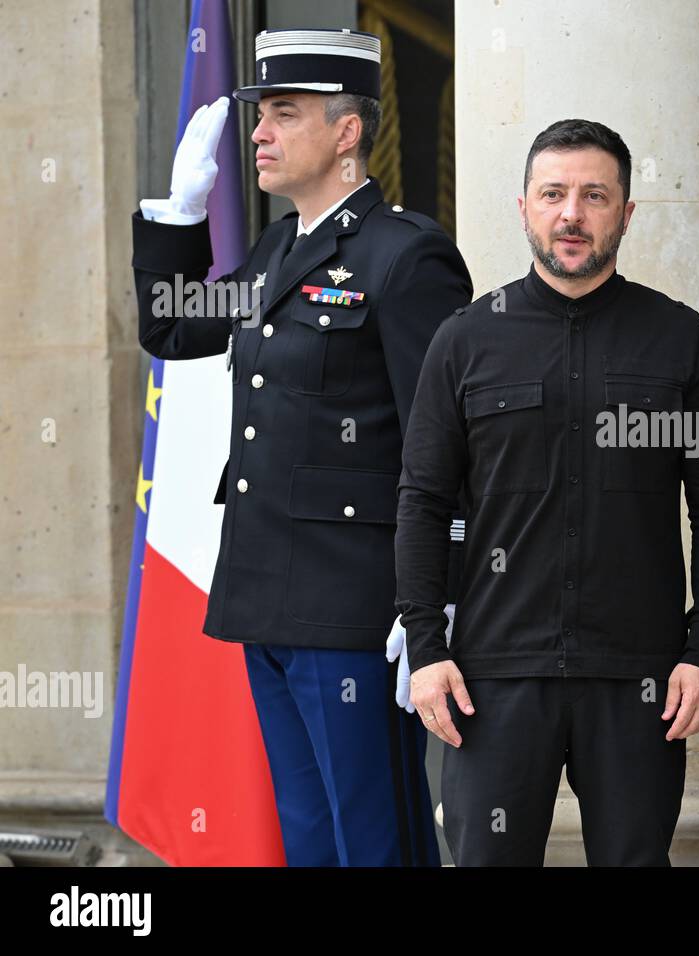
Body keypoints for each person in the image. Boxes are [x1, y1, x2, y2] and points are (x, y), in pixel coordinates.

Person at [131, 28, 472, 866]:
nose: (259, 134)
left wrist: (436, 607)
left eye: (283, 113)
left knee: (374, 838)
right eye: (260, 115)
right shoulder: (281, 248)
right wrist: (179, 217)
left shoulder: (406, 256)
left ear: (347, 131)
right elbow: (172, 327)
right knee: (311, 837)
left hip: (356, 608)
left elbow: (448, 444)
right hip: (268, 596)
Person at [395, 119, 699, 866]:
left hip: (641, 681)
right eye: (553, 194)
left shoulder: (679, 340)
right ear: (524, 206)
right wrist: (426, 648)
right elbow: (422, 501)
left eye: (594, 195)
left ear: (626, 212)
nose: (572, 215)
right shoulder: (464, 341)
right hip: (493, 677)